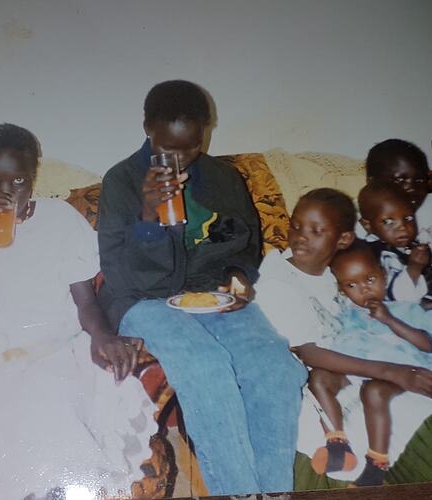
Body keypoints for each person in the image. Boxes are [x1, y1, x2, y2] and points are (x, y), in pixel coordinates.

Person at [96, 80, 307, 495]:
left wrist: (239, 276)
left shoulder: (224, 177)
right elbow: (124, 276)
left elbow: (246, 245)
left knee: (277, 367)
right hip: (143, 299)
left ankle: (274, 492)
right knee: (206, 365)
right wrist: (148, 217)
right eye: (169, 148)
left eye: (193, 146)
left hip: (211, 295)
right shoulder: (121, 180)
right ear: (147, 127)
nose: (182, 159)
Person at [0, 124, 155, 499]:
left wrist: (102, 335)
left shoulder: (59, 219)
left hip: (53, 350)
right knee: (23, 407)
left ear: (33, 175)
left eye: (18, 180)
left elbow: (85, 301)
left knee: (48, 393)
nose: (6, 192)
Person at [256, 188, 432, 485]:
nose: (301, 237)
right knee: (397, 399)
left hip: (357, 356)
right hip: (317, 371)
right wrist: (393, 371)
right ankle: (351, 451)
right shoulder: (277, 283)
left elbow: (371, 317)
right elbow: (307, 352)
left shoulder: (335, 272)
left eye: (316, 231)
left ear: (343, 240)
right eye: (296, 226)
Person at [308, 240, 432, 487]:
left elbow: (428, 345)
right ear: (342, 291)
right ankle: (337, 444)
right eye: (352, 285)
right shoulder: (346, 317)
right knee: (318, 377)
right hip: (363, 371)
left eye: (369, 279)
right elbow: (339, 350)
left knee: (373, 391)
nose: (364, 289)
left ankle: (376, 465)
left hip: (409, 370)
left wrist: (389, 320)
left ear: (383, 275)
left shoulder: (406, 309)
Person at [362, 139, 432, 281]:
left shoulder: (431, 213)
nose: (412, 188)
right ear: (373, 182)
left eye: (419, 180)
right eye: (400, 180)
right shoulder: (373, 226)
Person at [358, 181, 432, 302]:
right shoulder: (371, 254)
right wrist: (414, 268)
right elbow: (395, 297)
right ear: (368, 225)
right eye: (388, 222)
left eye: (408, 218)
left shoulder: (413, 246)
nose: (403, 227)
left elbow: (429, 280)